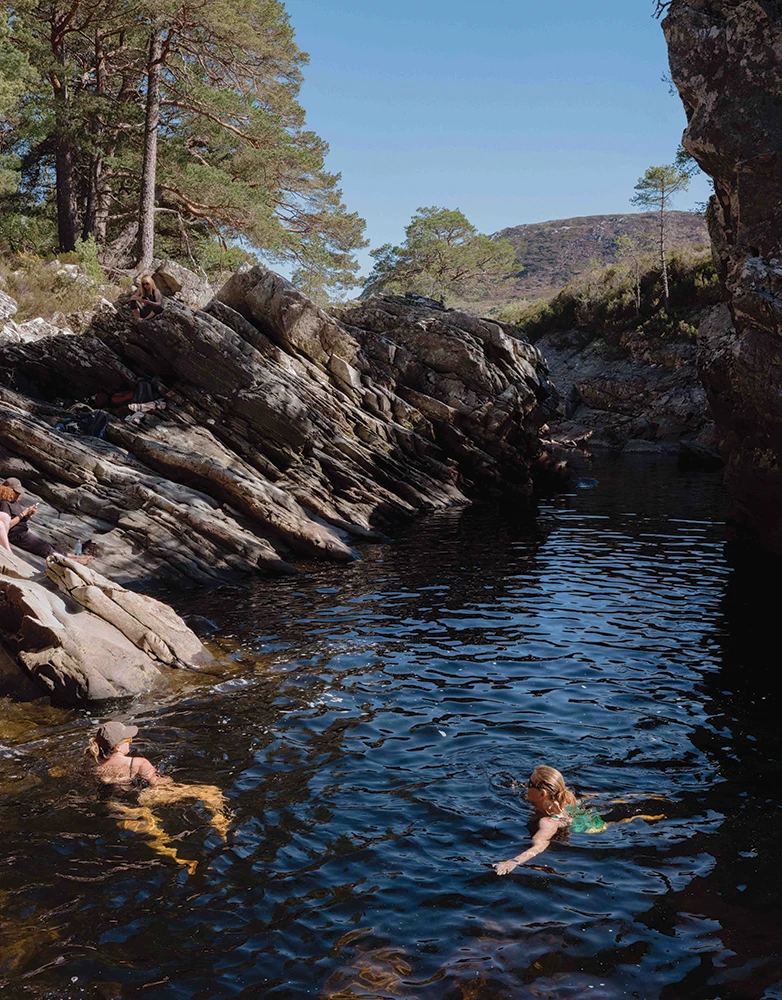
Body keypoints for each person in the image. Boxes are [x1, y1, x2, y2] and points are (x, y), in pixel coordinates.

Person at [85, 721, 230, 874]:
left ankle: (180, 860)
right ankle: (221, 828)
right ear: (117, 748)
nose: (131, 742)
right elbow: (157, 783)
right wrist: (167, 778)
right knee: (210, 792)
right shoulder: (138, 763)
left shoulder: (91, 766)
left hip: (113, 806)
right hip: (141, 797)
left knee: (153, 831)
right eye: (129, 739)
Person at [493, 765, 606, 875]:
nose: (526, 785)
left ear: (542, 794)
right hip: (589, 819)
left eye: (530, 784)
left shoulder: (548, 821)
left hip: (591, 829)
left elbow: (540, 845)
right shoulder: (566, 800)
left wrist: (513, 862)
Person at [0, 478, 92, 563]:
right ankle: (70, 561)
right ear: (8, 490)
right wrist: (23, 514)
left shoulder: (14, 502)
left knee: (48, 544)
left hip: (23, 532)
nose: (18, 495)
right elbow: (7, 525)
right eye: (16, 492)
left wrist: (29, 515)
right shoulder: (4, 504)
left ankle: (74, 557)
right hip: (16, 536)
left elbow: (21, 521)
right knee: (44, 548)